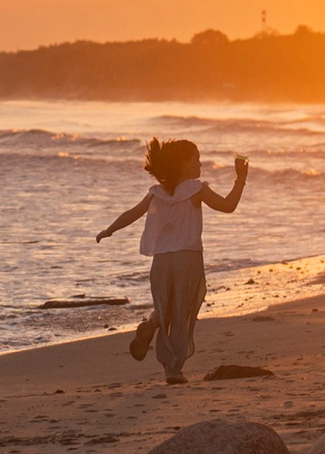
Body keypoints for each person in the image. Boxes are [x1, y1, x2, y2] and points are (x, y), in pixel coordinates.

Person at [95, 138, 248, 384]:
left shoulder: (156, 193)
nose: (200, 164)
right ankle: (173, 369)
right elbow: (228, 206)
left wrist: (109, 230)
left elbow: (132, 214)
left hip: (162, 261)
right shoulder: (197, 189)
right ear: (182, 164)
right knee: (181, 313)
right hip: (188, 258)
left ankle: (151, 326)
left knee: (166, 307)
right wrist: (240, 178)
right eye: (195, 159)